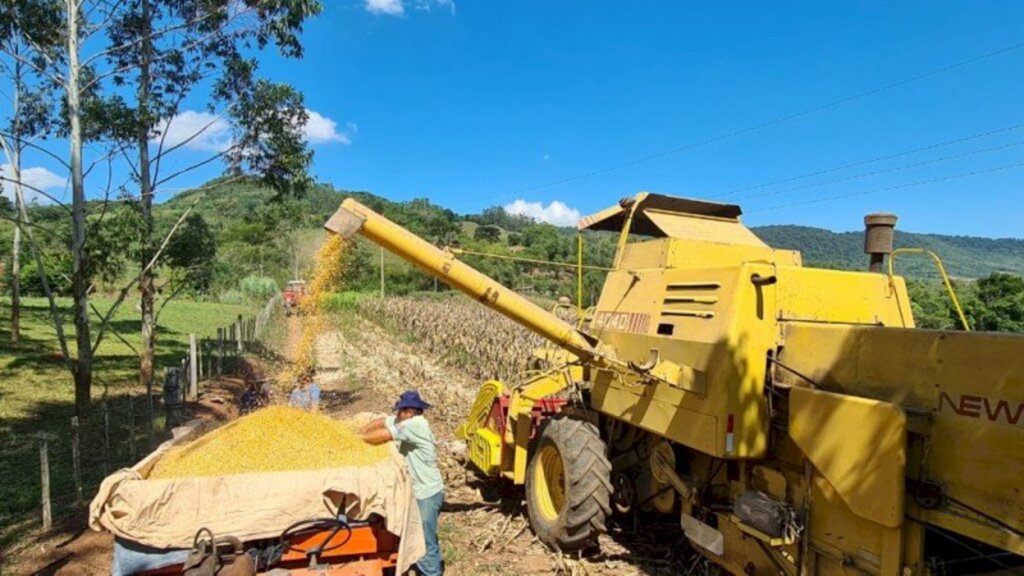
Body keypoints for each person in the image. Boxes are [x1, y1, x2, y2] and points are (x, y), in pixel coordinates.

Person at [359, 390, 444, 576]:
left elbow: (383, 435)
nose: (396, 414)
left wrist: (358, 440)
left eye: (400, 411)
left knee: (424, 538)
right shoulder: (404, 420)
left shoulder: (415, 425)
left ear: (409, 411)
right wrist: (362, 429)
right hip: (418, 490)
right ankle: (417, 563)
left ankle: (432, 572)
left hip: (427, 493)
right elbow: (382, 421)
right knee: (417, 533)